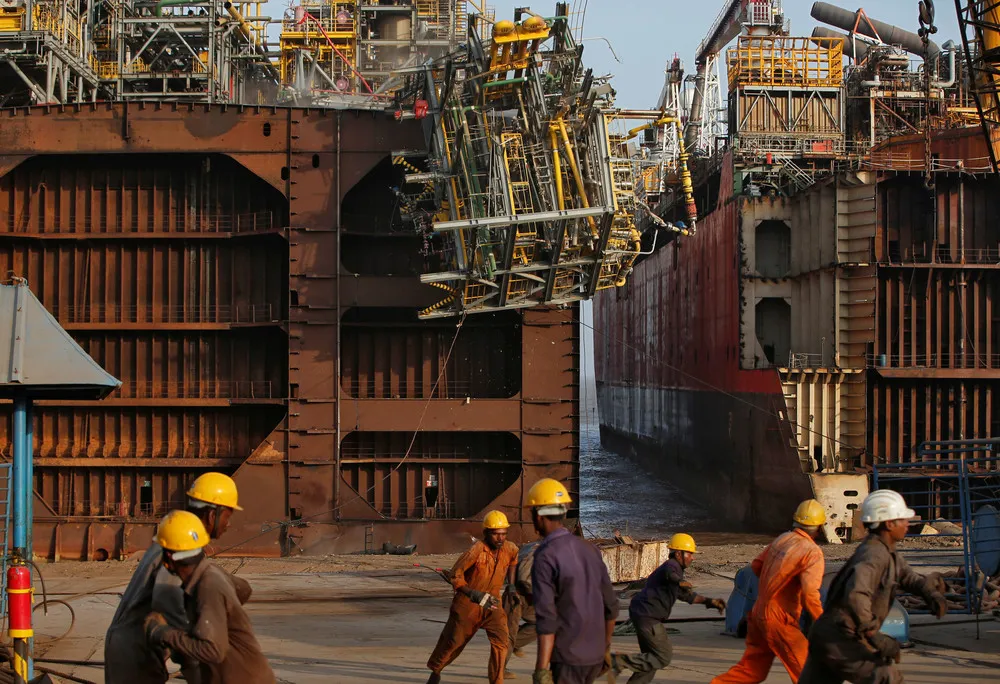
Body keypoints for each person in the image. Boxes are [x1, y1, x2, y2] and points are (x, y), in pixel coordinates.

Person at [105, 472, 245, 684]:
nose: (228, 524)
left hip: (129, 647)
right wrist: (193, 668)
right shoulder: (178, 549)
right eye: (228, 515)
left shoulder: (172, 536)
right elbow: (172, 608)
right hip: (136, 655)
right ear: (211, 515)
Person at [799, 489, 948, 684]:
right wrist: (873, 635)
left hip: (828, 635)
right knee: (885, 677)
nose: (907, 525)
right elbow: (856, 594)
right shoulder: (873, 555)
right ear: (889, 523)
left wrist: (930, 593)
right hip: (839, 637)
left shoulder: (887, 551)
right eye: (902, 519)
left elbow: (908, 577)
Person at [143, 510, 274, 684]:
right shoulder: (210, 571)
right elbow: (244, 589)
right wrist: (222, 615)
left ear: (168, 557)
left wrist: (161, 633)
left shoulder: (207, 587)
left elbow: (212, 651)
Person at [711, 499, 827, 684]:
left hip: (758, 615)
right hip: (780, 619)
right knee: (809, 673)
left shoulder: (782, 539)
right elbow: (810, 595)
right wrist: (824, 622)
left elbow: (757, 566)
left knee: (751, 671)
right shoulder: (812, 552)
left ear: (796, 521)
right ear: (819, 527)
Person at [529, 478, 618, 684]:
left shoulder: (545, 556)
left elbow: (547, 620)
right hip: (594, 657)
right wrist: (604, 648)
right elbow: (611, 607)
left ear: (538, 516)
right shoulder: (590, 549)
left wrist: (541, 670)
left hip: (568, 658)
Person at [609, 533, 726, 683]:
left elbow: (687, 597)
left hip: (643, 614)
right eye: (690, 554)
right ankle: (619, 661)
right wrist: (680, 581)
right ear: (678, 553)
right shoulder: (672, 566)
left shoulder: (675, 570)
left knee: (650, 661)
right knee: (663, 656)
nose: (692, 558)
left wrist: (710, 602)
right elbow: (670, 575)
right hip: (648, 617)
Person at [426, 510, 519, 684]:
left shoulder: (509, 548)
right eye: (496, 534)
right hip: (468, 604)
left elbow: (514, 560)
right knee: (454, 643)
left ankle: (497, 680)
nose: (501, 538)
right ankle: (436, 670)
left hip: (492, 602)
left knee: (502, 641)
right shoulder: (476, 551)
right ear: (486, 533)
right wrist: (472, 593)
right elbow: (456, 575)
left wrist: (512, 587)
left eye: (504, 534)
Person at [504, 540, 539, 670]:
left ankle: (515, 643)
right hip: (516, 597)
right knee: (509, 634)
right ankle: (499, 670)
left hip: (531, 598)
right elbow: (524, 579)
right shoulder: (537, 553)